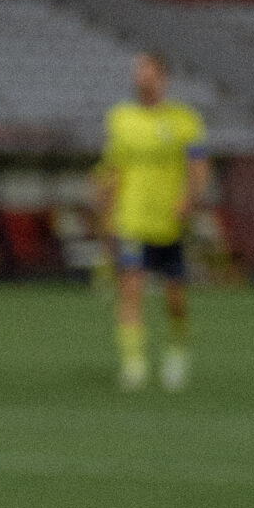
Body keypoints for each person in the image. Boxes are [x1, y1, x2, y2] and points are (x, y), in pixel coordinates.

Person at [95, 51, 208, 392]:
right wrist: (105, 211)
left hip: (169, 222)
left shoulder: (184, 120)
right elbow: (113, 169)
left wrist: (189, 200)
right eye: (137, 71)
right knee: (131, 290)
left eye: (147, 71)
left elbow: (198, 167)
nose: (140, 77)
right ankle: (134, 365)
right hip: (131, 220)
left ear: (162, 78)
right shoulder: (120, 118)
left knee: (175, 299)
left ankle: (176, 351)